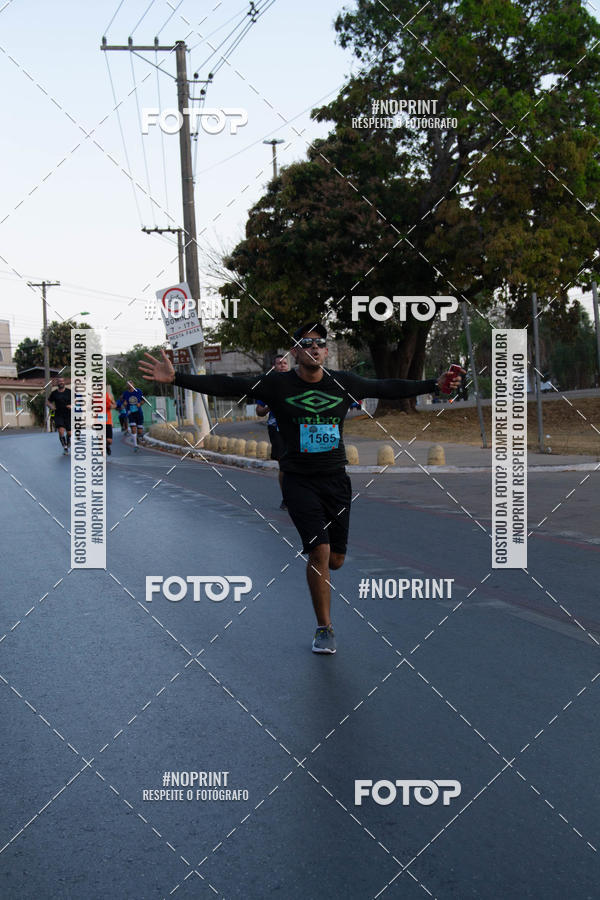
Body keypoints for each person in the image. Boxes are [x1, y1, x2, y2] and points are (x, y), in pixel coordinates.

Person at [139, 323, 462, 655]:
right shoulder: (277, 385)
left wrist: (433, 384)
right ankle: (324, 628)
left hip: (336, 481)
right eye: (306, 343)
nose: (314, 348)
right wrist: (177, 378)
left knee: (336, 559)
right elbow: (228, 384)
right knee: (319, 550)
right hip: (298, 480)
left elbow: (386, 386)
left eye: (319, 343)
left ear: (326, 350)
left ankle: (325, 586)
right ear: (295, 351)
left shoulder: (344, 383)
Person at [255, 353, 289, 509]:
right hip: (276, 428)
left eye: (284, 363)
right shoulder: (268, 386)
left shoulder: (297, 383)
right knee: (284, 463)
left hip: (296, 427)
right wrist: (270, 406)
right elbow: (259, 411)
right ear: (274, 367)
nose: (282, 366)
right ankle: (286, 498)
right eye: (279, 363)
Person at [47, 377, 72, 455]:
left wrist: (72, 406)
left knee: (70, 433)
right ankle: (65, 447)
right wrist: (51, 406)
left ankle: (68, 441)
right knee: (61, 431)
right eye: (59, 381)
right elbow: (48, 402)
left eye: (62, 381)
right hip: (58, 414)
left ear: (64, 382)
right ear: (57, 383)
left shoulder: (69, 392)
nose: (61, 382)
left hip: (68, 414)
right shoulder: (54, 393)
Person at [121, 382, 145, 451]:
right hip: (130, 413)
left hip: (138, 412)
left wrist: (140, 403)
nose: (129, 385)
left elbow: (144, 400)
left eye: (131, 383)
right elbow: (122, 400)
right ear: (126, 385)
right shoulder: (125, 393)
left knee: (140, 431)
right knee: (133, 429)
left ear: (133, 385)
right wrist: (124, 403)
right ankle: (135, 445)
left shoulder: (138, 391)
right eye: (128, 384)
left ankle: (138, 437)